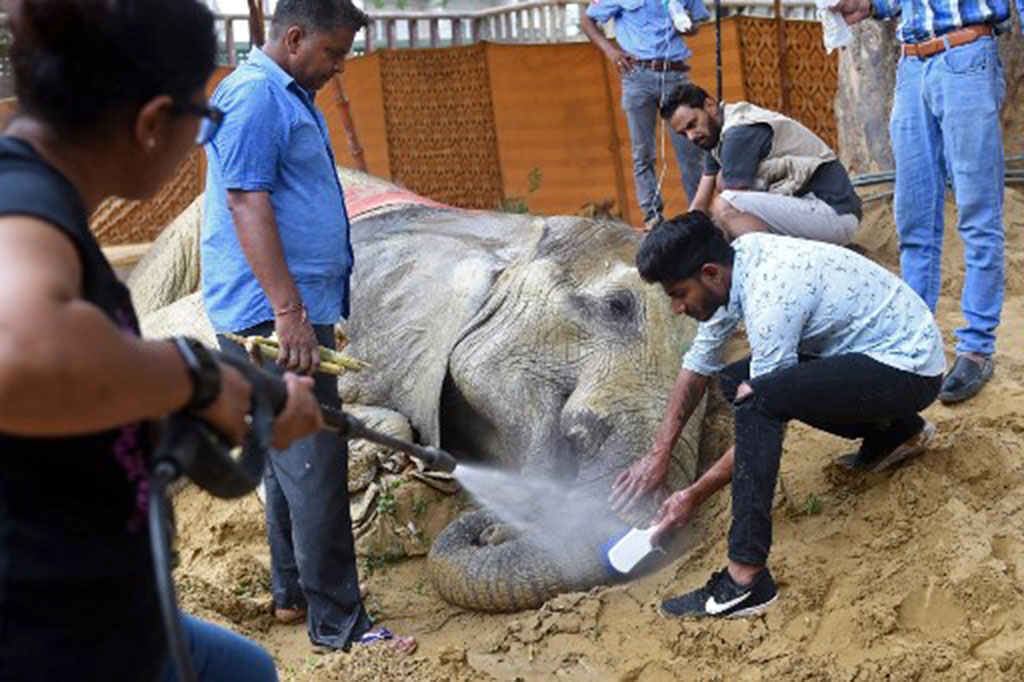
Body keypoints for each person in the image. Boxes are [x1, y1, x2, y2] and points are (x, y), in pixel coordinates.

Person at [0, 0, 326, 679]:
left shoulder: (46, 203)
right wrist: (199, 379)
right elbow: (22, 351)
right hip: (52, 629)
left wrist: (197, 407)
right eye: (202, 119)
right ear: (152, 124)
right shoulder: (21, 200)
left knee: (244, 671)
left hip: (107, 598)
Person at [200, 0, 416, 654]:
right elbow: (245, 199)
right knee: (316, 461)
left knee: (285, 454)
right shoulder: (257, 97)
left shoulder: (283, 92)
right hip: (271, 317)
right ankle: (342, 628)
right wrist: (290, 311)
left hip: (284, 307)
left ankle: (293, 593)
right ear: (294, 37)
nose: (340, 67)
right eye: (333, 53)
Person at [611, 213, 944, 618]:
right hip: (873, 355)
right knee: (735, 381)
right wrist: (660, 453)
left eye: (679, 294)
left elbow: (766, 405)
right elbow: (695, 370)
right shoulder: (735, 265)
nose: (678, 307)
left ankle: (745, 580)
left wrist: (692, 495)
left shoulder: (771, 293)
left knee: (758, 398)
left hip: (909, 368)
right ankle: (896, 432)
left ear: (710, 273)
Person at [831, 0, 1021, 405]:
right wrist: (868, 6)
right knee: (914, 217)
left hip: (966, 55)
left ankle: (976, 349)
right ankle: (913, 337)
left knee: (977, 214)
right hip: (911, 66)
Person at [660, 83, 862, 245]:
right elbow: (699, 205)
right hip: (812, 212)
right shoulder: (713, 135)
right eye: (683, 134)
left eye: (692, 124)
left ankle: (773, 264)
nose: (691, 136)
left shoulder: (737, 133)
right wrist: (678, 237)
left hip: (834, 215)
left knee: (726, 205)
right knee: (723, 193)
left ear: (710, 106)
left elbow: (731, 206)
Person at [581, 0, 710, 231]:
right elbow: (587, 19)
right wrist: (611, 51)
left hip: (675, 73)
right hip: (637, 74)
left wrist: (688, 26)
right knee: (643, 152)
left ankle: (699, 215)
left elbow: (697, 25)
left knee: (691, 150)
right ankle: (652, 217)